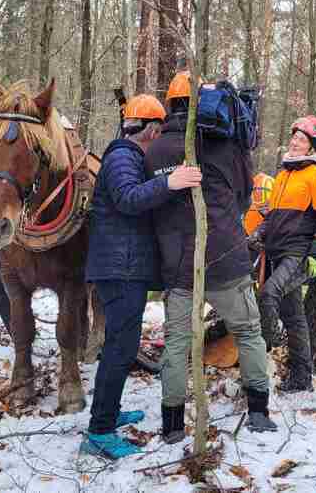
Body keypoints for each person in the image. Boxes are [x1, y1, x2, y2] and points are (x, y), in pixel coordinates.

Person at [145, 71, 279, 443]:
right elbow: (243, 198)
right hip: (227, 258)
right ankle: (258, 411)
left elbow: (151, 206)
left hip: (178, 264)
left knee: (176, 343)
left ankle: (172, 425)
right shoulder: (229, 146)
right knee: (249, 331)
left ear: (171, 105)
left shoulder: (155, 150)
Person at [80, 94, 203, 459]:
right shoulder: (121, 157)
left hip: (125, 266)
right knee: (119, 349)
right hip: (120, 270)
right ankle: (99, 431)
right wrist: (172, 182)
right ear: (150, 129)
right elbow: (128, 198)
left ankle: (109, 413)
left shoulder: (128, 156)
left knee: (123, 346)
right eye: (159, 129)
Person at [250, 115, 316, 393]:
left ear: (313, 146)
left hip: (299, 253)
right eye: (294, 137)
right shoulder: (283, 175)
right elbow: (273, 217)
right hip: (277, 251)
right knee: (294, 316)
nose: (295, 142)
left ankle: (269, 343)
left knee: (268, 294)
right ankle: (302, 377)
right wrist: (258, 234)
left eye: (302, 139)